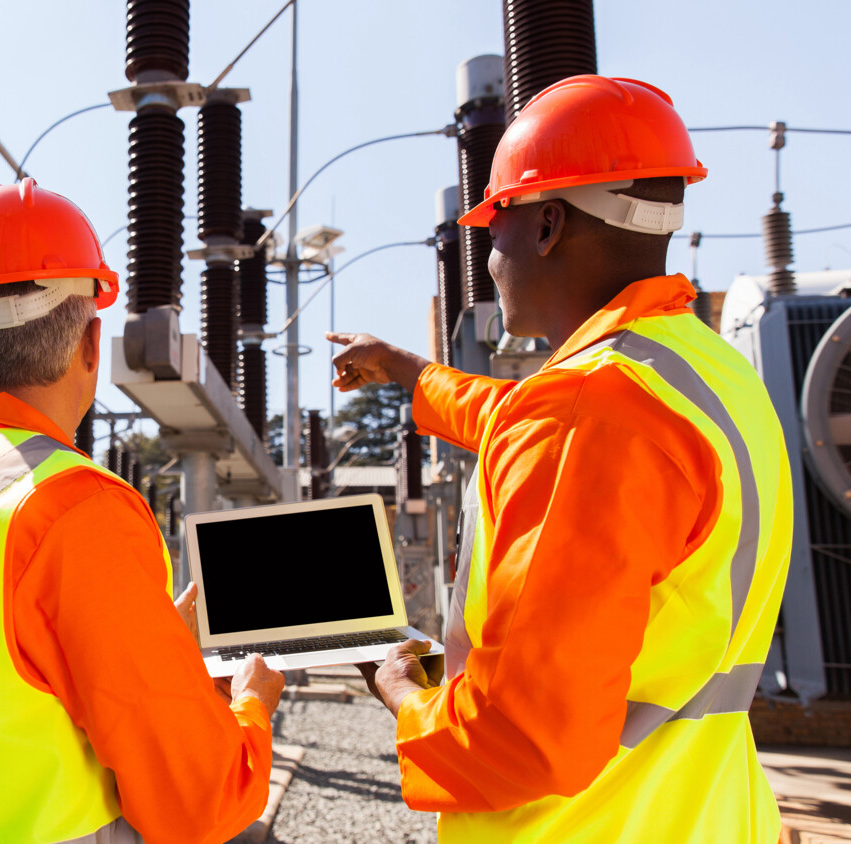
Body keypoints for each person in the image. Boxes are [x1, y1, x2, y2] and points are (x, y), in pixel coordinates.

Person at [329, 75, 792, 843]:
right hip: (703, 814)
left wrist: (404, 697)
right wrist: (412, 373)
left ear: (547, 225)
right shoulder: (703, 374)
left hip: (584, 826)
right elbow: (517, 420)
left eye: (495, 227)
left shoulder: (589, 408)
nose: (488, 257)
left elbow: (524, 739)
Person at [0, 178, 284, 844]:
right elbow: (205, 801)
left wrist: (140, 640)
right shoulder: (76, 510)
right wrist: (253, 700)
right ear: (89, 345)